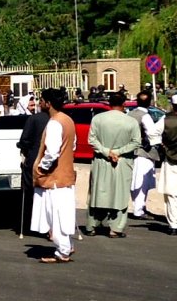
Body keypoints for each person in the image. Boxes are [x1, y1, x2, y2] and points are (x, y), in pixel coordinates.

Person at [30, 89, 78, 263]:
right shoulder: (67, 120)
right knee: (63, 214)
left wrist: (42, 168)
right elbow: (73, 145)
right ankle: (67, 246)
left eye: (42, 100)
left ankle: (62, 251)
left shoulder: (54, 123)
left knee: (55, 215)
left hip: (55, 179)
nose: (39, 103)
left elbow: (52, 151)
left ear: (48, 103)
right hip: (65, 176)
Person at [84, 91, 140, 238]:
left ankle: (92, 225)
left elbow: (92, 140)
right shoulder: (131, 122)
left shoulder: (98, 119)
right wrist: (118, 152)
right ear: (124, 104)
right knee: (119, 194)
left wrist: (106, 152)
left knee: (98, 192)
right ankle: (115, 228)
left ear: (109, 103)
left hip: (101, 160)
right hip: (122, 161)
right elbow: (136, 142)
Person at [15, 105, 51, 234]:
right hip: (54, 162)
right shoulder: (62, 119)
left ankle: (28, 223)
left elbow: (24, 140)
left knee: (29, 191)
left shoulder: (34, 119)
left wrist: (24, 149)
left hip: (34, 159)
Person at [128, 91, 162, 218]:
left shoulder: (130, 114)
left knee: (135, 180)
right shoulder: (145, 116)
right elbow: (152, 133)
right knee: (142, 182)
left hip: (130, 151)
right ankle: (139, 209)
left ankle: (139, 207)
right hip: (143, 151)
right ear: (149, 102)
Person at [160, 99, 177, 235]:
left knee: (171, 193)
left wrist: (163, 145)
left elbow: (153, 133)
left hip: (171, 160)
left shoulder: (165, 120)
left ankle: (174, 224)